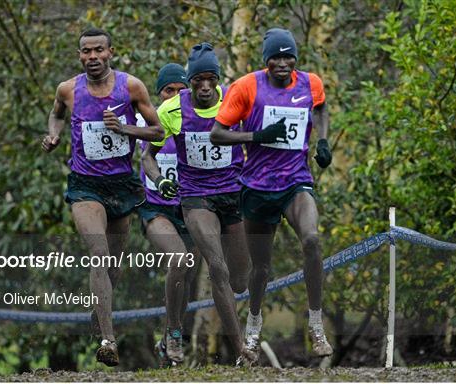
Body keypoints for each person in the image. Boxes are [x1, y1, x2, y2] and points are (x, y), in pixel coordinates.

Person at [41, 27, 164, 367]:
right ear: (79, 55)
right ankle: (109, 340)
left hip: (121, 185)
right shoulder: (68, 89)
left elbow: (158, 131)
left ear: (111, 52)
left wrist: (124, 128)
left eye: (98, 50)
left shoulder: (131, 87)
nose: (92, 57)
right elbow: (56, 114)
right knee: (98, 251)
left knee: (113, 263)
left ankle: (100, 312)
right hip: (85, 185)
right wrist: (53, 136)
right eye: (86, 52)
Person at [210, 28, 334, 363]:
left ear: (295, 58)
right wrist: (256, 135)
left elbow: (320, 108)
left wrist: (322, 141)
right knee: (261, 268)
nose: (282, 63)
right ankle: (253, 324)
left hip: (295, 182)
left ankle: (316, 323)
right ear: (266, 61)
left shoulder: (311, 83)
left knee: (311, 240)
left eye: (288, 56)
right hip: (257, 188)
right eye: (275, 58)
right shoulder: (247, 87)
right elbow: (217, 134)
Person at [142, 42, 252, 365]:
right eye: (197, 81)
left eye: (210, 79)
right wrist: (160, 179)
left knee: (239, 278)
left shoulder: (235, 101)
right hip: (193, 198)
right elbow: (147, 156)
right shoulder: (170, 111)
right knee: (215, 266)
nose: (204, 87)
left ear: (217, 80)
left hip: (231, 195)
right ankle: (239, 348)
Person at [135, 63, 195, 367]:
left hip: (191, 209)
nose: (175, 96)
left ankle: (171, 339)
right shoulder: (151, 121)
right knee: (179, 259)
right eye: (169, 91)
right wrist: (159, 180)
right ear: (159, 94)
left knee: (187, 275)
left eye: (181, 91)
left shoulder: (196, 121)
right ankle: (173, 334)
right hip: (155, 208)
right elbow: (142, 158)